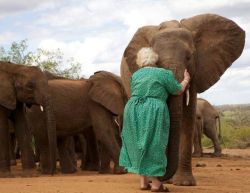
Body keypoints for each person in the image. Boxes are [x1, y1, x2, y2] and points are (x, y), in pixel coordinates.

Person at [119, 47, 190, 192]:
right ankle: (157, 184)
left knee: (138, 144)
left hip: (133, 108)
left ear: (140, 61)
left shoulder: (136, 75)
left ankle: (143, 182)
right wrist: (186, 80)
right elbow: (177, 90)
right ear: (155, 59)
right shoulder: (163, 73)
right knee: (155, 144)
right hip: (153, 109)